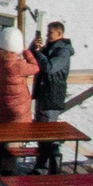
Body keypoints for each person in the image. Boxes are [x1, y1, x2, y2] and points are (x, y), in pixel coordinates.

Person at [0, 22, 38, 173]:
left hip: (0, 107)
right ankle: (7, 177)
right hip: (18, 111)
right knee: (12, 146)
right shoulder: (19, 65)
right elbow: (36, 67)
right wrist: (26, 52)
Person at [28, 20, 73, 174]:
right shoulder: (49, 47)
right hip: (43, 94)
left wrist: (39, 53)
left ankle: (49, 168)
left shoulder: (63, 51)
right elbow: (32, 57)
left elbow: (50, 67)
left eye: (50, 33)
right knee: (42, 134)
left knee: (49, 135)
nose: (48, 36)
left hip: (52, 96)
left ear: (59, 33)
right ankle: (42, 167)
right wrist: (34, 47)